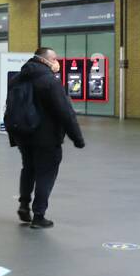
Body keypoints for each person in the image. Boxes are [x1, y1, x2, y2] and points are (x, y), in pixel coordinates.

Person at [5, 47, 85, 228]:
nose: (57, 62)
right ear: (44, 60)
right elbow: (65, 112)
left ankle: (24, 205)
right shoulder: (49, 81)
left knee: (28, 168)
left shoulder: (17, 79)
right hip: (47, 136)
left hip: (23, 134)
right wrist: (77, 138)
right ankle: (39, 216)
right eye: (55, 58)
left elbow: (10, 106)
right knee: (46, 173)